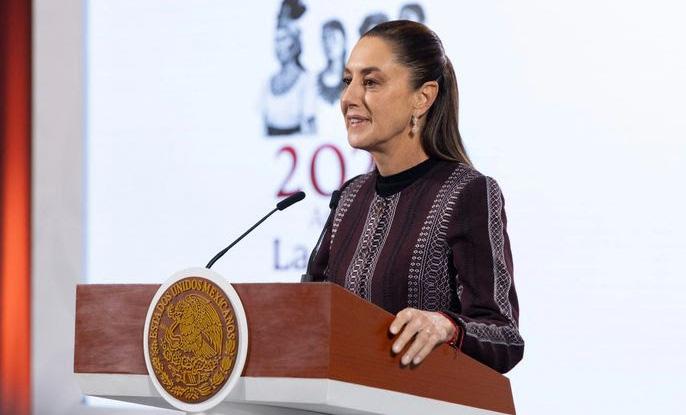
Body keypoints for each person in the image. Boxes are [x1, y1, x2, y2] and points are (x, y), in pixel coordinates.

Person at [305, 20, 524, 373]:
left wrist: (447, 326)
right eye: (347, 81)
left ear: (422, 98)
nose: (348, 99)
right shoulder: (349, 198)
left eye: (370, 82)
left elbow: (505, 337)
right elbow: (307, 312)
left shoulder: (467, 193)